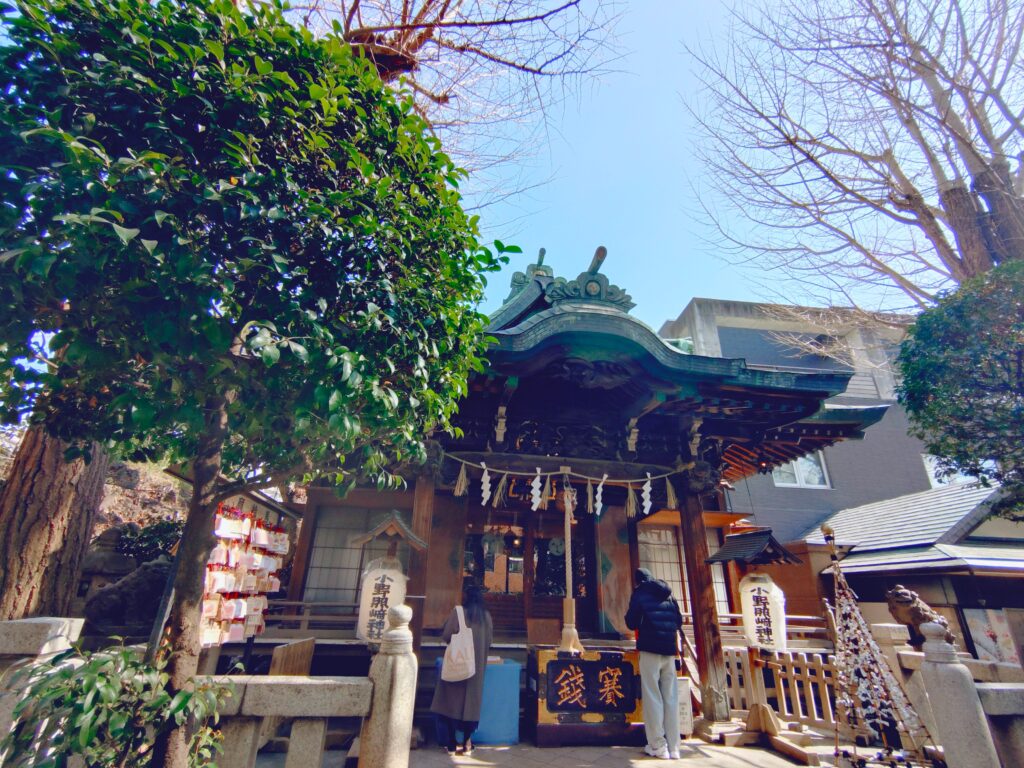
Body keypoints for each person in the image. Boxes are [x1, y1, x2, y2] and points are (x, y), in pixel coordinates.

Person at [625, 568, 683, 760]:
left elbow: (631, 622)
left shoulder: (640, 593)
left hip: (650, 649)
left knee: (652, 696)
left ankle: (658, 745)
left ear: (638, 581)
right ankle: (674, 746)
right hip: (669, 650)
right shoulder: (668, 594)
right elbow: (679, 620)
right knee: (670, 697)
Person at [430, 584, 493, 755]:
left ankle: (451, 743)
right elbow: (489, 642)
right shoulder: (486, 617)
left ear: (465, 596)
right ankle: (467, 742)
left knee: (449, 703)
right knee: (471, 706)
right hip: (476, 670)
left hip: (457, 666)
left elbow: (446, 635)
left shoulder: (459, 613)